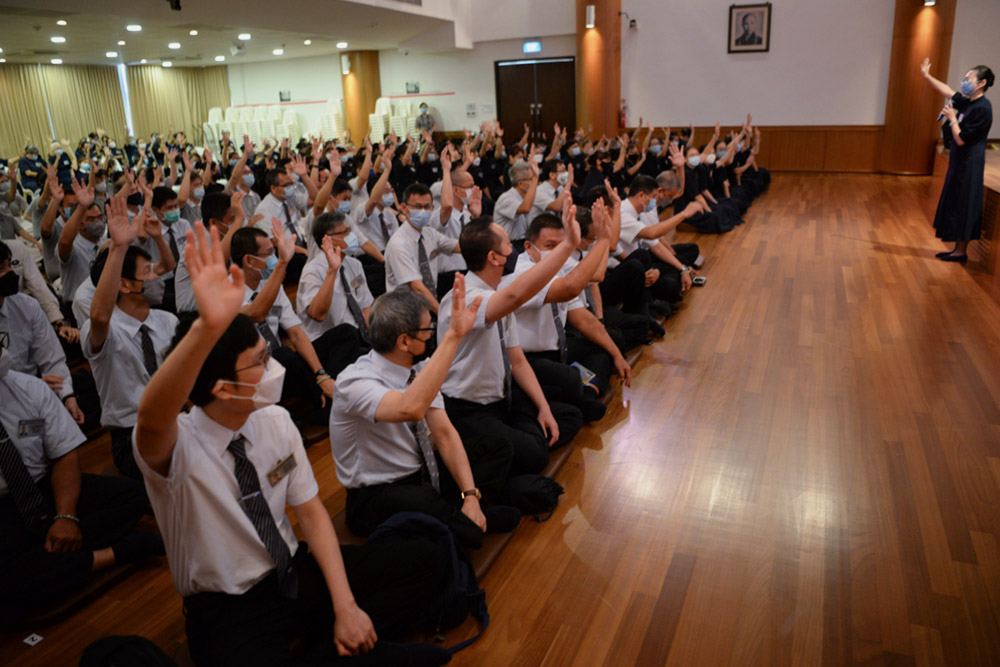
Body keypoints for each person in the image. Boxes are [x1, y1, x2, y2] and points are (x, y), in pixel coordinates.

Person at [132, 222, 451, 666]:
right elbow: (151, 419)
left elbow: (312, 514)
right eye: (260, 362)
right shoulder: (177, 446)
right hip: (230, 607)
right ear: (222, 388)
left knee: (425, 559)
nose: (273, 367)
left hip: (293, 570)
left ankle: (339, 641)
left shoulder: (275, 421)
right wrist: (206, 329)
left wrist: (346, 607)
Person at [330, 285, 520, 549]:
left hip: (421, 473)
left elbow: (444, 433)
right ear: (404, 341)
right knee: (443, 518)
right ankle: (464, 524)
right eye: (427, 330)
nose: (432, 334)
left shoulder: (417, 366)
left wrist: (470, 496)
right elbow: (410, 407)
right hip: (377, 494)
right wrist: (453, 336)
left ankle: (468, 515)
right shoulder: (354, 381)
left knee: (496, 446)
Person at [0, 347, 161, 626]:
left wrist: (66, 517)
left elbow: (63, 456)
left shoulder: (28, 388)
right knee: (8, 586)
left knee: (133, 496)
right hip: (4, 504)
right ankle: (112, 554)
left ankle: (48, 559)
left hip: (42, 486)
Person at [439, 206, 583, 477]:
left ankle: (504, 452)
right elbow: (516, 296)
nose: (513, 249)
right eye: (508, 244)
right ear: (494, 257)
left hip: (503, 399)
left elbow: (517, 361)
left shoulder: (496, 293)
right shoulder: (467, 298)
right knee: (536, 454)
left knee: (568, 416)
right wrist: (568, 245)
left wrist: (542, 408)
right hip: (470, 409)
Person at [81, 196, 179, 479]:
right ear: (123, 285)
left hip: (176, 419)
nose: (156, 277)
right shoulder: (107, 330)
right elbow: (99, 316)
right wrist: (119, 247)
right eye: (147, 272)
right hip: (132, 434)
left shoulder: (166, 320)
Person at [230, 225, 335, 422]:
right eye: (269, 253)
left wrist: (321, 374)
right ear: (249, 260)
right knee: (283, 356)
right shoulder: (226, 291)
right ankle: (321, 405)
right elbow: (256, 313)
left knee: (344, 334)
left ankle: (327, 388)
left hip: (281, 366)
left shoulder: (270, 282)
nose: (274, 257)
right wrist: (282, 263)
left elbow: (295, 332)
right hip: (253, 375)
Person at [920, 58, 995, 262]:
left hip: (969, 164)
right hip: (959, 162)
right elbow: (948, 91)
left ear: (981, 83)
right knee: (956, 202)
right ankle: (956, 250)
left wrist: (952, 119)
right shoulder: (969, 103)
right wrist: (927, 76)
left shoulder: (983, 108)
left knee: (964, 204)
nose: (964, 82)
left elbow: (961, 139)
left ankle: (961, 252)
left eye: (969, 79)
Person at [296, 211, 373, 379]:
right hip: (326, 341)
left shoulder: (354, 264)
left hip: (356, 336)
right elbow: (318, 314)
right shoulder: (312, 271)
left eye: (349, 230)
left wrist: (375, 337)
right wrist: (332, 271)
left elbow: (366, 307)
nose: (351, 236)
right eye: (345, 232)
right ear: (328, 239)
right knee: (347, 332)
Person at [383, 182, 460, 315]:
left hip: (428, 305)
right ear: (404, 208)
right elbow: (417, 288)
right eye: (418, 207)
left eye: (427, 207)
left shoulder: (429, 233)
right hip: (405, 312)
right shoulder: (398, 244)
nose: (423, 211)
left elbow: (458, 247)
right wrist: (443, 315)